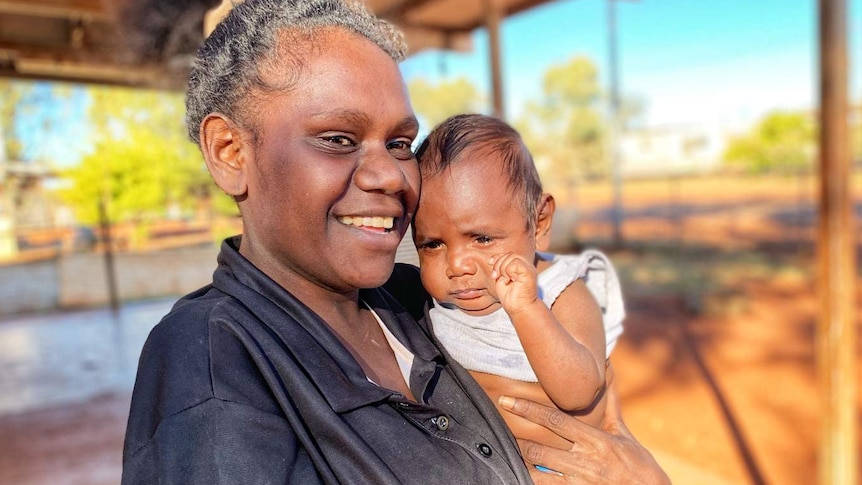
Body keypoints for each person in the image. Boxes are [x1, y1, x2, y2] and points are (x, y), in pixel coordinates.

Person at [121, 0, 670, 483]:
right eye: (338, 139)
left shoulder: (415, 299)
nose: (390, 175)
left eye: (401, 142)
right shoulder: (216, 369)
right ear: (230, 152)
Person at [412, 114, 625, 452]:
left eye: (482, 238)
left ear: (538, 223)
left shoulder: (560, 292)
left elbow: (580, 391)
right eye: (432, 244)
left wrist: (527, 310)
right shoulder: (427, 309)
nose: (457, 265)